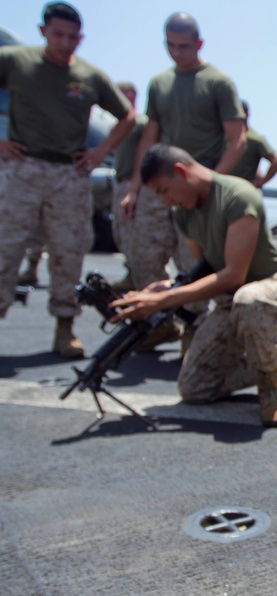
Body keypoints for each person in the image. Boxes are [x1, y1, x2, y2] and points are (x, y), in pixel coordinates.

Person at [111, 144, 277, 428]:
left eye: (163, 190)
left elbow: (234, 275)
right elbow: (206, 269)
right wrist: (163, 288)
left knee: (249, 301)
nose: (166, 200)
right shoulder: (183, 212)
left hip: (272, 289)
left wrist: (166, 300)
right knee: (194, 389)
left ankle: (270, 387)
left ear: (179, 172)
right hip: (230, 301)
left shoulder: (238, 196)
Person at [0, 2, 136, 358]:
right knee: (6, 247)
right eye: (58, 35)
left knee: (68, 252)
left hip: (69, 175)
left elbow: (128, 116)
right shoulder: (17, 61)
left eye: (72, 37)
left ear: (82, 38)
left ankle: (65, 328)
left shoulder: (90, 75)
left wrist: (99, 151)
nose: (65, 43)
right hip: (23, 168)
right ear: (43, 31)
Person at [119, 12, 246, 221]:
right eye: (170, 45)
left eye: (183, 46)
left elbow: (238, 140)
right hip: (160, 182)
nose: (176, 52)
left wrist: (210, 183)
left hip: (197, 183)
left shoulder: (218, 83)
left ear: (199, 43)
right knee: (147, 251)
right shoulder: (159, 83)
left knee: (195, 253)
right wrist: (134, 189)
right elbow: (149, 139)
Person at [111, 80, 199, 351]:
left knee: (191, 258)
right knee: (144, 254)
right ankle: (161, 324)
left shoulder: (138, 122)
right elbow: (146, 146)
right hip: (150, 184)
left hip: (185, 184)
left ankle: (192, 327)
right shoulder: (146, 119)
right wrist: (135, 189)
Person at [230, 100, 277, 188]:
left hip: (244, 188)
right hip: (226, 187)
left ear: (246, 113)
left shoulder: (255, 139)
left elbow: (276, 162)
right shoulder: (226, 136)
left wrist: (260, 182)